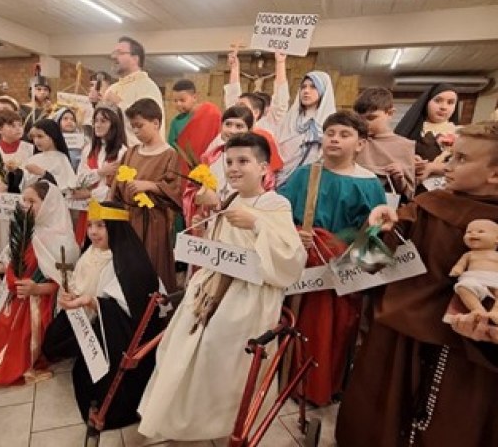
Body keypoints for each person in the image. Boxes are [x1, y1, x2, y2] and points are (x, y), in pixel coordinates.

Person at [336, 121, 498, 447]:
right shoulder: (427, 208)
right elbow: (362, 268)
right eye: (451, 155)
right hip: (400, 342)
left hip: (471, 355)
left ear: (494, 174)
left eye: (462, 159)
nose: (447, 165)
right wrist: (376, 230)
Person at [138, 133, 307, 441]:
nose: (234, 168)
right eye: (229, 162)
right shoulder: (229, 199)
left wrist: (257, 223)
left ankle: (221, 421)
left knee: (217, 346)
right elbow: (219, 245)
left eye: (243, 161)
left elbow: (292, 257)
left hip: (249, 293)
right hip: (214, 285)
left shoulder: (275, 203)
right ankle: (180, 418)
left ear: (264, 168)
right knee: (178, 342)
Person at [278, 110, 387, 406]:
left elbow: (376, 232)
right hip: (304, 264)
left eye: (344, 134)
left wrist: (355, 270)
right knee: (297, 321)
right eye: (330, 133)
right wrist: (294, 232)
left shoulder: (369, 184)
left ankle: (325, 385)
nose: (335, 139)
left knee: (336, 329)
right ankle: (291, 381)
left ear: (361, 144)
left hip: (341, 268)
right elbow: (279, 213)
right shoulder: (304, 174)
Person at [42, 199, 161, 428]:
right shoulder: (91, 253)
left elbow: (131, 311)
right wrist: (71, 297)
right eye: (90, 225)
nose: (93, 232)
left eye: (101, 226)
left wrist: (94, 302)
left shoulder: (129, 262)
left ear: (115, 228)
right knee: (53, 341)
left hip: (117, 329)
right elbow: (78, 284)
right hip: (88, 316)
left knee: (88, 379)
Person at [0, 181, 79, 385]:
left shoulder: (62, 240)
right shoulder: (28, 231)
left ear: (49, 205)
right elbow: (14, 261)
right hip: (21, 297)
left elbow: (67, 284)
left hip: (44, 303)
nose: (25, 205)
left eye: (32, 201)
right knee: (4, 330)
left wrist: (37, 289)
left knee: (26, 336)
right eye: (23, 201)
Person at [111, 98, 181, 292]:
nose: (135, 131)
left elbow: (175, 190)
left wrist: (151, 186)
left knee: (150, 267)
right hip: (128, 218)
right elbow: (117, 186)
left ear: (156, 123)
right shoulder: (131, 152)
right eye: (132, 127)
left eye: (139, 126)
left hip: (152, 223)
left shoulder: (169, 155)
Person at [0, 110, 34, 254]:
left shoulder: (30, 149)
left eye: (20, 125)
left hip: (23, 201)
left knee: (25, 242)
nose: (18, 129)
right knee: (1, 241)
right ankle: (1, 273)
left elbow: (34, 174)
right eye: (12, 125)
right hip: (1, 205)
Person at [72, 103, 127, 245]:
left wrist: (90, 194)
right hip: (87, 210)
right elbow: (79, 180)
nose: (97, 125)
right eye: (96, 121)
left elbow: (117, 189)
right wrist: (100, 172)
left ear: (114, 124)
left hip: (108, 211)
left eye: (103, 121)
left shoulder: (123, 152)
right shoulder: (89, 149)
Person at [354, 87, 416, 199]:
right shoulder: (354, 141)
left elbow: (409, 194)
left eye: (371, 118)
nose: (364, 123)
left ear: (390, 113)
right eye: (360, 119)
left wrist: (399, 177)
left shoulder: (405, 146)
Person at [104, 36, 165, 145]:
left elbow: (149, 125)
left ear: (135, 58)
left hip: (138, 156)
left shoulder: (147, 87)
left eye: (120, 53)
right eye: (114, 53)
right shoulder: (112, 88)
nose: (114, 57)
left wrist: (118, 104)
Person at [225, 50, 289, 153]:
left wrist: (280, 63)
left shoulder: (268, 124)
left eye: (242, 105)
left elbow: (280, 100)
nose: (237, 109)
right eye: (236, 105)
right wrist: (234, 68)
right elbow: (232, 93)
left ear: (256, 112)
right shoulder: (233, 126)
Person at [395, 83, 459, 184]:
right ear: (427, 102)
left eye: (450, 102)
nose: (443, 107)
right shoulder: (411, 129)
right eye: (438, 100)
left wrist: (432, 167)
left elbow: (469, 167)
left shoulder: (461, 134)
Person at [279, 71, 336, 183]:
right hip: (281, 177)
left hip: (311, 179)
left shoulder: (329, 121)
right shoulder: (290, 118)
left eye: (313, 87)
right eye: (303, 87)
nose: (306, 91)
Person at [167, 79, 221, 181]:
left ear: (195, 97)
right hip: (186, 171)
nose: (178, 104)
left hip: (211, 167)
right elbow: (173, 149)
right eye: (175, 101)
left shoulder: (211, 112)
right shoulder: (176, 122)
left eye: (182, 100)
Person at [450, 219, 498, 323]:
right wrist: (457, 269)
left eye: (480, 231)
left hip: (495, 279)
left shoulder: (496, 255)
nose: (473, 234)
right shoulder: (469, 255)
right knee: (462, 287)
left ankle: (496, 312)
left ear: (497, 239)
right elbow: (461, 264)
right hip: (474, 278)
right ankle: (477, 309)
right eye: (469, 232)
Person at [20, 118, 77, 191]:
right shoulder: (33, 159)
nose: (36, 141)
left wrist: (43, 173)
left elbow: (67, 185)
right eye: (33, 137)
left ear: (52, 136)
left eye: (40, 136)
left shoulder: (61, 158)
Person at [52, 106, 86, 172]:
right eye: (65, 119)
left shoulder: (83, 140)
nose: (69, 121)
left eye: (72, 119)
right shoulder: (51, 140)